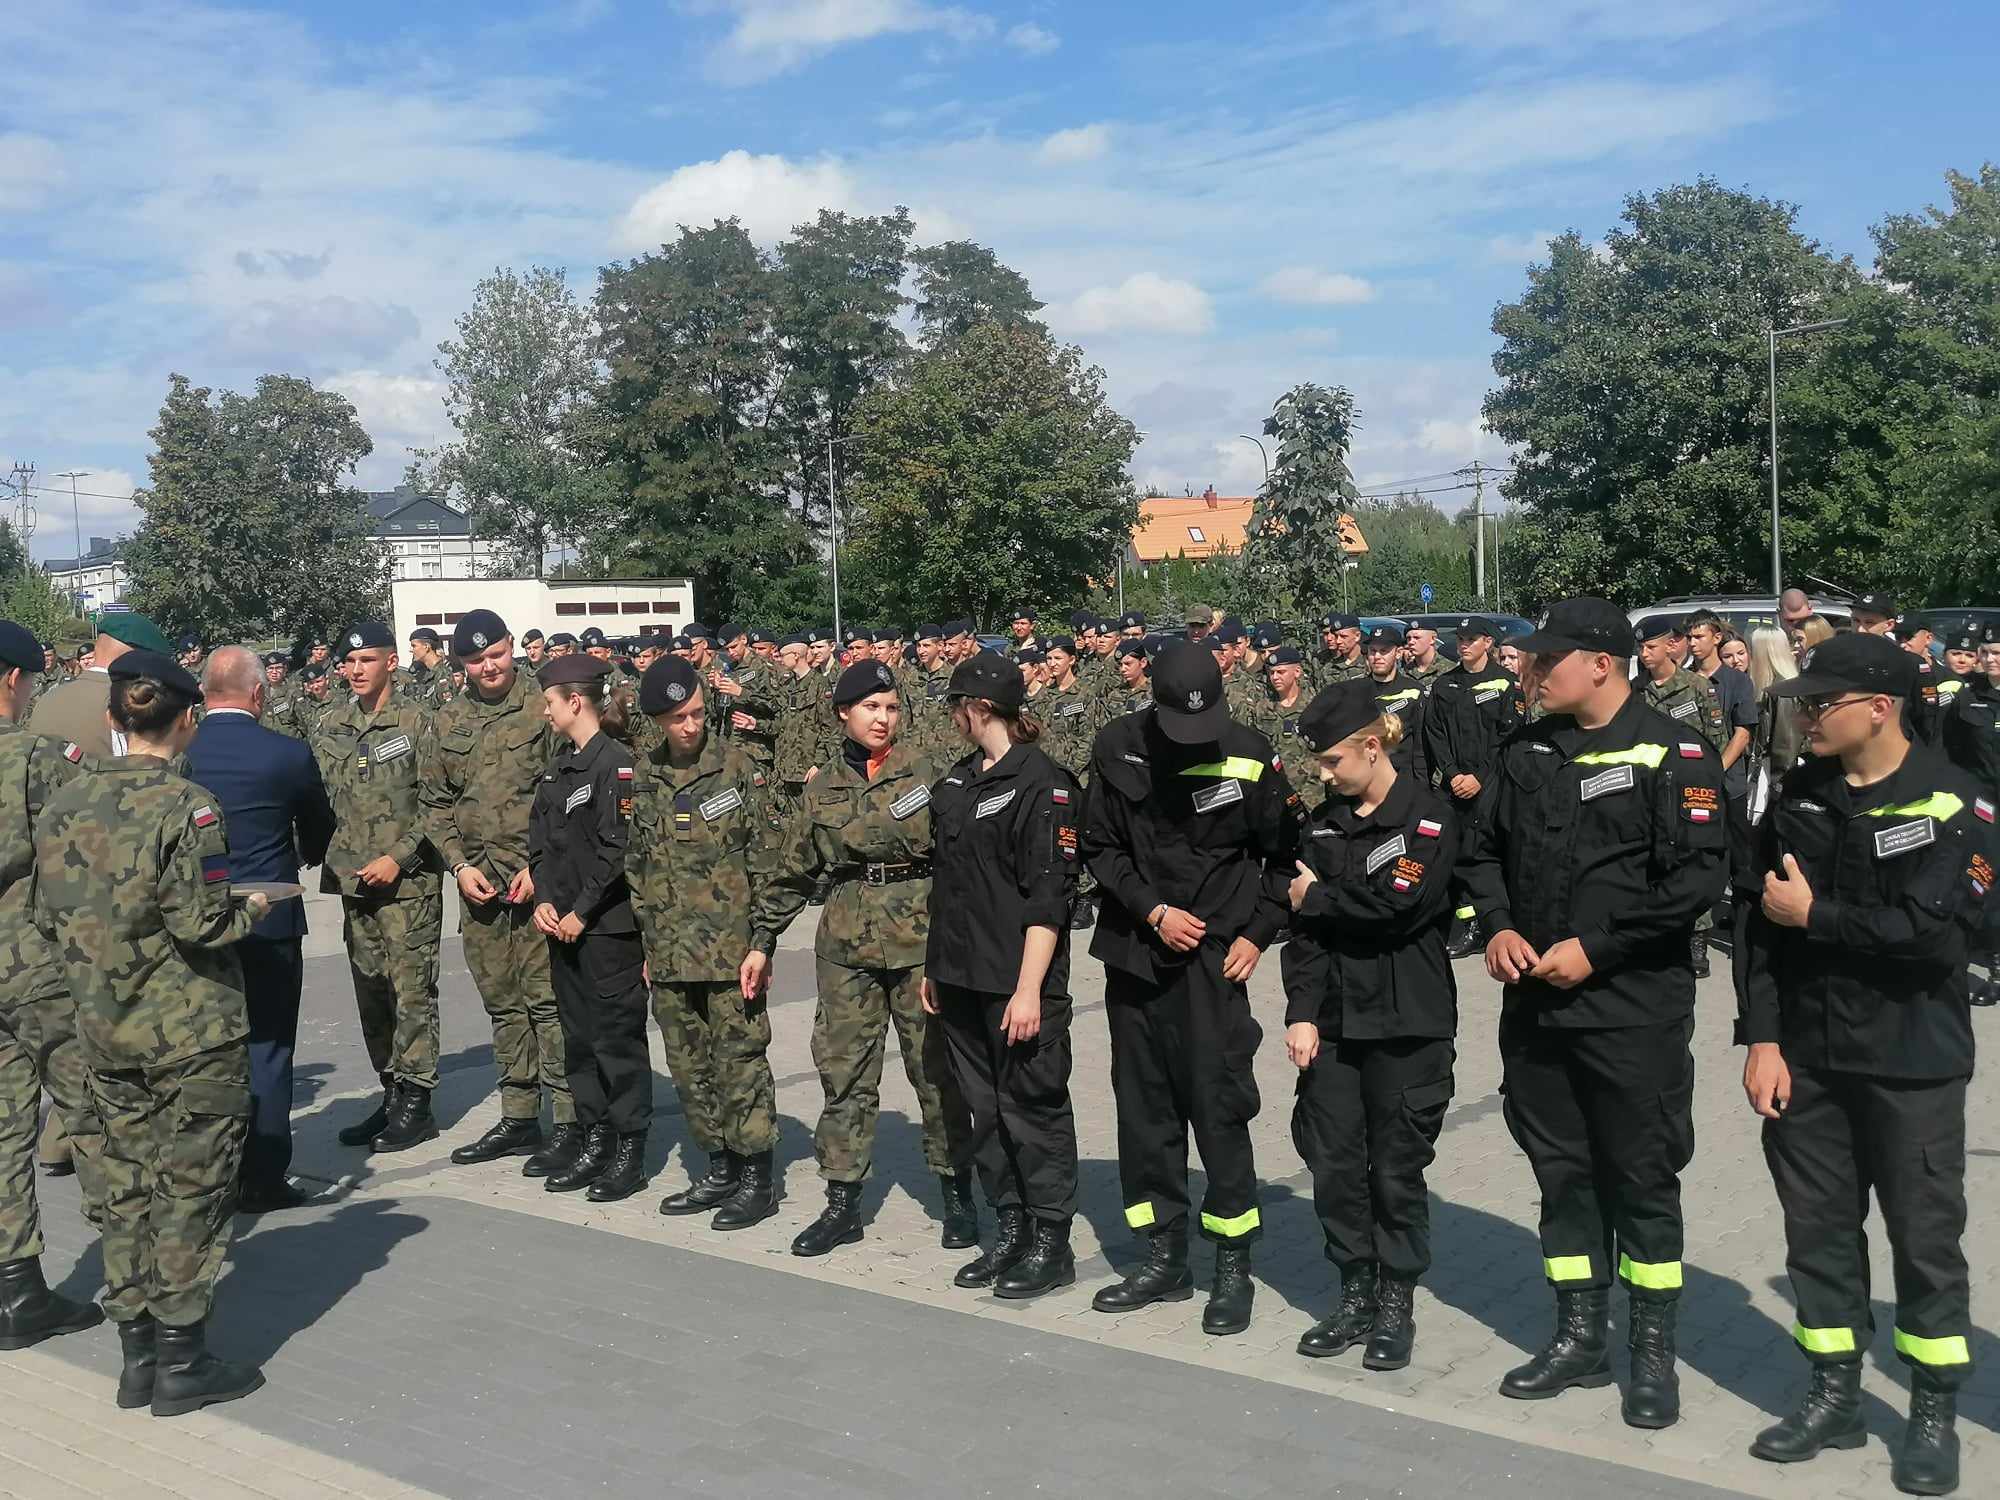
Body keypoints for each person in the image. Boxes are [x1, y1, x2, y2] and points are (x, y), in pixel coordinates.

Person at [1460, 597, 1727, 1430]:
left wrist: (1598, 948)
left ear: (1601, 664)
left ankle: (1651, 1352)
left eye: (1550, 659)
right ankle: (1580, 1337)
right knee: (1562, 1174)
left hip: (1631, 1009)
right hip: (1539, 1009)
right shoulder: (1527, 747)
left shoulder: (1675, 751)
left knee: (1641, 1178)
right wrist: (1498, 925)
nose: (1532, 670)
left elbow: (1697, 879)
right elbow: (1480, 850)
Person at [1738, 632, 1985, 1495]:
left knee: (1925, 1242)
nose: (1806, 715)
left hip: (1912, 1063)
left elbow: (1934, 937)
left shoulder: (1959, 804)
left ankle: (1931, 1412)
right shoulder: (1800, 796)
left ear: (1880, 709)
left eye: (1821, 702)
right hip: (1808, 1061)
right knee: (1818, 1237)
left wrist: (1818, 917)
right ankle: (1833, 1396)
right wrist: (1762, 1039)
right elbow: (1759, 928)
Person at [34, 650, 272, 1416]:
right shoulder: (190, 808)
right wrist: (254, 908)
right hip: (190, 1036)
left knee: (124, 1190)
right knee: (192, 1192)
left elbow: (46, 916)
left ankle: (137, 1356)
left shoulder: (65, 803)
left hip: (105, 1034)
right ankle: (181, 1359)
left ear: (113, 718)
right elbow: (202, 923)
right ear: (188, 720)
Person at [1082, 641, 1303, 1336]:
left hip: (1214, 963)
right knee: (1144, 1113)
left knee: (1218, 1108)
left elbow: (1285, 857)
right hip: (1136, 956)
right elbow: (1099, 846)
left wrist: (1257, 934)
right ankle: (1162, 1257)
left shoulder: (1250, 754)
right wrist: (1152, 910)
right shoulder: (1117, 747)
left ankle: (1232, 1266)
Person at [747, 661, 974, 1257]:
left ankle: (958, 1194)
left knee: (936, 1071)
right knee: (844, 1072)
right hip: (847, 946)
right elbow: (794, 870)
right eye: (871, 707)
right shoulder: (821, 787)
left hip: (921, 942)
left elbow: (962, 856)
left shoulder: (929, 770)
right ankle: (842, 1201)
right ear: (843, 713)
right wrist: (762, 939)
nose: (883, 718)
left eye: (892, 708)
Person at [1282, 679, 1459, 1370]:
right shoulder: (1323, 826)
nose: (1325, 775)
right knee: (1332, 1164)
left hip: (1407, 1022)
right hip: (1334, 1024)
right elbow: (1306, 936)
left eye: (1333, 761)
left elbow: (1399, 907)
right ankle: (1354, 1293)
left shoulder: (1429, 818)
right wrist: (1301, 1014)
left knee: (1395, 1170)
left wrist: (1320, 896)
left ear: (1372, 746)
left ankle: (1395, 1302)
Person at [925, 654, 1081, 1299]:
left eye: (956, 706)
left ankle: (1051, 1241)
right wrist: (935, 966)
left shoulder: (1043, 783)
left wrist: (1028, 989)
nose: (952, 717)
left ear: (979, 709)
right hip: (961, 978)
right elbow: (947, 884)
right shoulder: (958, 781)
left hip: (1016, 983)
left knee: (1032, 1111)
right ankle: (1010, 1228)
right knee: (985, 1113)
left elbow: (1050, 895)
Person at [627, 657, 780, 1229]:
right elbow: (637, 866)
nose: (689, 725)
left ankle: (757, 1177)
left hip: (730, 952)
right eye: (676, 718)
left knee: (740, 1066)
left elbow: (769, 861)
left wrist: (763, 942)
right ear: (657, 720)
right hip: (669, 953)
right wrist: (648, 945)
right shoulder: (644, 776)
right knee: (689, 1068)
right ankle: (719, 1167)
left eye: (695, 712)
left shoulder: (738, 768)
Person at [185, 647, 335, 1213]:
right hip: (270, 916)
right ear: (258, 694)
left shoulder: (182, 753)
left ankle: (209, 1172)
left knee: (205, 1049)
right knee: (268, 1047)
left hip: (198, 920)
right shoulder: (287, 753)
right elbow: (319, 826)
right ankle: (263, 1177)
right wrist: (300, 855)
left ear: (204, 694)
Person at [421, 611, 572, 1170]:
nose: (488, 667)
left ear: (512, 646)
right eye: (475, 660)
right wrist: (459, 866)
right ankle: (520, 1116)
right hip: (480, 889)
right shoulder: (447, 719)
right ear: (460, 663)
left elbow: (572, 792)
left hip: (540, 888)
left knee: (549, 1005)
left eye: (496, 654)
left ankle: (570, 1121)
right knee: (504, 1005)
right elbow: (434, 803)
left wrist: (543, 865)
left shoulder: (545, 706)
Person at [0, 619, 105, 1350]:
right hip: (40, 971)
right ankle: (146, 1296)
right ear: (14, 678)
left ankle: (16, 1293)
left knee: (4, 1132)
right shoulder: (38, 758)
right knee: (94, 1118)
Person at [316, 622, 444, 1154]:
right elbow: (322, 801)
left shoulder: (419, 721)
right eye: (349, 662)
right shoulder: (331, 724)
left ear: (392, 662)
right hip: (354, 884)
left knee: (411, 991)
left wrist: (399, 857)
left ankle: (417, 1101)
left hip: (407, 884)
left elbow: (439, 804)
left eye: (366, 660)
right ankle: (390, 1091)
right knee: (370, 991)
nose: (356, 670)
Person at [526, 655, 650, 1201]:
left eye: (549, 702)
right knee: (578, 1040)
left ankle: (629, 1149)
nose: (545, 711)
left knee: (615, 1041)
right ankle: (595, 1139)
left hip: (605, 931)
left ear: (574, 701)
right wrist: (544, 900)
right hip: (563, 927)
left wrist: (581, 911)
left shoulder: (614, 764)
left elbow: (615, 848)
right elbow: (540, 843)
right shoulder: (560, 766)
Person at [1421, 616, 1521, 960]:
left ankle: (1500, 919)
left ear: (1488, 643)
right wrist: (1451, 773)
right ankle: (1468, 922)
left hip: (1493, 785)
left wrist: (1480, 777)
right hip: (1454, 786)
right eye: (1461, 639)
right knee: (1457, 853)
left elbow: (1509, 736)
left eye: (1471, 639)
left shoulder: (1506, 684)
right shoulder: (1445, 684)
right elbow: (1434, 732)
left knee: (1494, 853)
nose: (1463, 645)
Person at [1942, 625, 2000, 1006]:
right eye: (1987, 653)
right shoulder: (1968, 697)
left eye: (1998, 653)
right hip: (1986, 806)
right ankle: (1996, 969)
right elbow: (1952, 750)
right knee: (1986, 882)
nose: (1990, 659)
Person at [1745, 626, 1805, 820]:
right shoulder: (1767, 689)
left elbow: (1786, 746)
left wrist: (1777, 786)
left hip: (1776, 784)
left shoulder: (1783, 693)